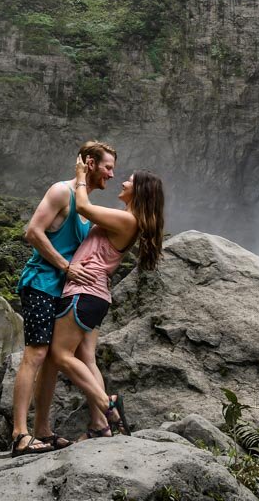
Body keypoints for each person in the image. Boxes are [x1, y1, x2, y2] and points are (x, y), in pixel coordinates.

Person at [9, 140, 117, 456]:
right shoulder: (61, 192)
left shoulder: (86, 206)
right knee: (36, 353)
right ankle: (19, 434)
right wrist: (65, 266)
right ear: (89, 163)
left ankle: (42, 429)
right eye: (108, 166)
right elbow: (33, 232)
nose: (111, 174)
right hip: (42, 283)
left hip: (64, 291)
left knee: (54, 360)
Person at [47, 155, 165, 440]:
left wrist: (79, 177)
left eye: (129, 181)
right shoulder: (127, 220)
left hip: (83, 292)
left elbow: (84, 206)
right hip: (97, 296)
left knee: (60, 354)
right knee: (87, 358)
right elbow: (85, 216)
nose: (122, 182)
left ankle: (106, 404)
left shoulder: (126, 220)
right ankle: (100, 426)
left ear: (138, 192)